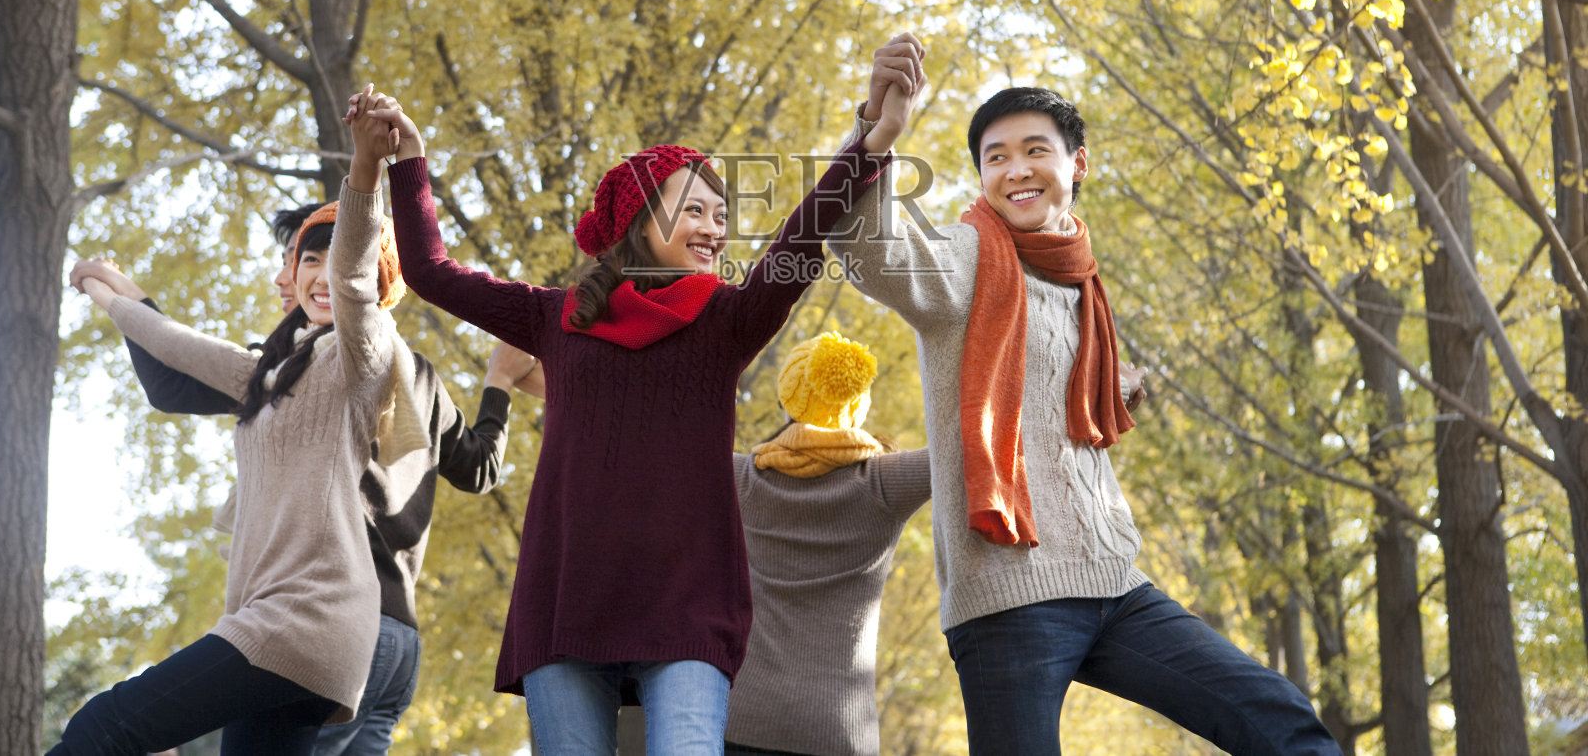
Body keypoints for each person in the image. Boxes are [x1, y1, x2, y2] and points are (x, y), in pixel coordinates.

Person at [349, 43, 923, 756]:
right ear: (639, 221)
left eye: (722, 213)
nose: (716, 227)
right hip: (567, 603)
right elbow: (432, 272)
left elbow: (801, 239)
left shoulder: (728, 321)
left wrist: (873, 140)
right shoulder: (551, 316)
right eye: (695, 209)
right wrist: (408, 160)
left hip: (688, 608)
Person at [826, 69, 1343, 756]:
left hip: (1111, 578)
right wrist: (874, 132)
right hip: (1008, 595)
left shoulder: (1081, 283)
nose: (1016, 170)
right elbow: (867, 247)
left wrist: (1114, 391)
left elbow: (1050, 419)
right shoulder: (966, 256)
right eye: (996, 157)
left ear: (1078, 163)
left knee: (1274, 713)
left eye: (1035, 149)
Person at [52, 95, 430, 756]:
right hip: (284, 626)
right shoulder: (269, 371)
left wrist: (367, 165)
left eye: (333, 262)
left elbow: (351, 271)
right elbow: (178, 347)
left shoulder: (361, 353)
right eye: (306, 259)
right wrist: (105, 289)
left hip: (302, 618)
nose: (320, 273)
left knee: (99, 729)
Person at [102, 198, 542, 756]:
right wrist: (498, 383)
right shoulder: (418, 374)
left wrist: (124, 295)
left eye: (302, 257)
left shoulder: (303, 372)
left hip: (325, 623)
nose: (287, 276)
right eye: (297, 261)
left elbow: (173, 384)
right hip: (400, 642)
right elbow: (481, 469)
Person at [725, 331, 931, 756]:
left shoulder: (740, 478)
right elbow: (971, 446)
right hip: (840, 730)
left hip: (745, 717)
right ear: (857, 406)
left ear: (786, 399)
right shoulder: (883, 485)